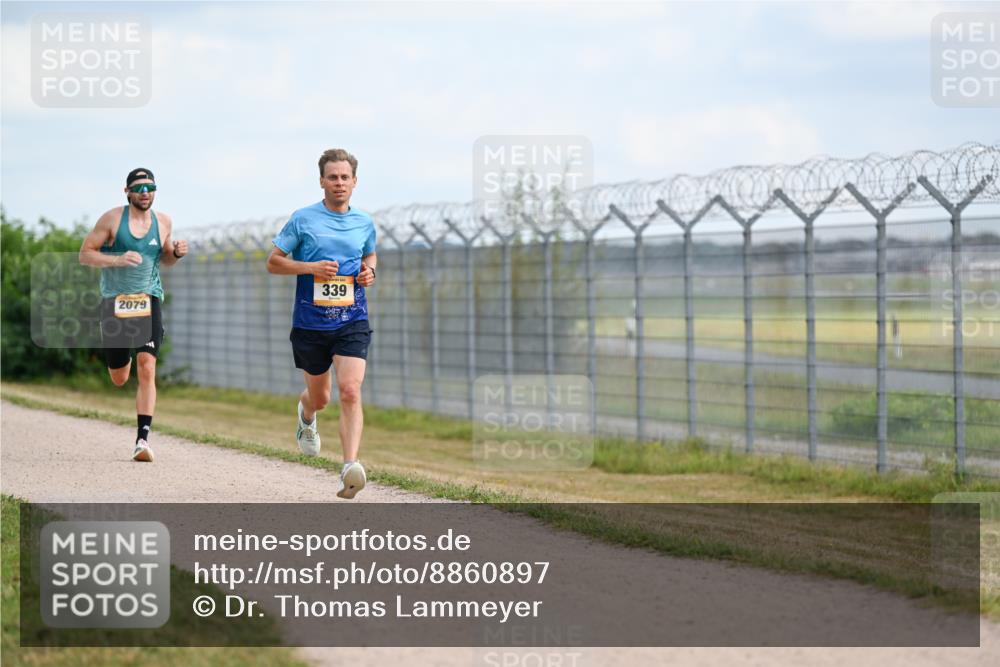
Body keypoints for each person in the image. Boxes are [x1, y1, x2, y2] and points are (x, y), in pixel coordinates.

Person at [266, 149, 377, 500]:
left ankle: (349, 466)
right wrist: (311, 268)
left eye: (345, 177)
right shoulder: (303, 219)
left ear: (355, 182)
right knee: (322, 396)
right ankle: (307, 414)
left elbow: (370, 252)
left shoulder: (364, 222)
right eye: (333, 177)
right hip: (311, 324)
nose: (339, 183)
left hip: (352, 319)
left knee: (350, 390)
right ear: (322, 181)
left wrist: (370, 270)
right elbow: (273, 262)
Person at [79, 168, 188, 462]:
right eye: (139, 187)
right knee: (118, 376)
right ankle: (120, 359)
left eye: (150, 187)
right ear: (127, 191)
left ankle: (142, 440)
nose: (145, 192)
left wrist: (175, 253)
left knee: (147, 366)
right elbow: (85, 254)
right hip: (115, 302)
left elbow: (164, 259)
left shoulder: (163, 222)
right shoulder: (113, 219)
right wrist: (117, 259)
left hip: (148, 299)